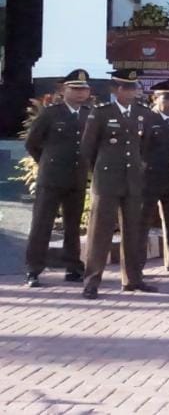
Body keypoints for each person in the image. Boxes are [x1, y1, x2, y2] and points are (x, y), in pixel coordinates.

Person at [80, 68, 155, 298]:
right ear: (115, 89)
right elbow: (87, 148)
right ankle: (92, 282)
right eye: (126, 87)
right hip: (107, 180)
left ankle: (132, 279)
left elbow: (146, 147)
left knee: (133, 231)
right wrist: (99, 172)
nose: (131, 91)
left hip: (132, 181)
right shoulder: (101, 112)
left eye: (134, 87)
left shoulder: (143, 113)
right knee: (100, 233)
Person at [23, 69, 92, 288]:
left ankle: (72, 267)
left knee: (73, 226)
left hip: (77, 178)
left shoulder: (90, 114)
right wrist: (46, 162)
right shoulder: (50, 114)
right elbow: (32, 143)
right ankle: (33, 270)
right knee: (42, 224)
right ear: (63, 90)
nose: (81, 93)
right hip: (51, 178)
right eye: (75, 89)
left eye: (84, 89)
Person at [140, 77, 169, 273]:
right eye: (167, 98)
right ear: (154, 98)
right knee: (142, 224)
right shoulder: (145, 118)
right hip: (149, 179)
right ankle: (137, 265)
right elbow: (139, 149)